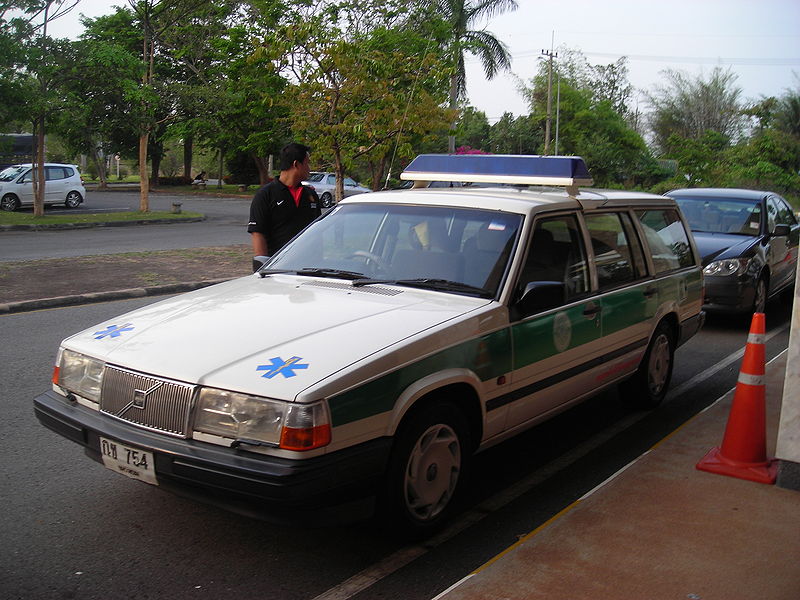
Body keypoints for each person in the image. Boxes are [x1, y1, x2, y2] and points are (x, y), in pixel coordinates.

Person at [247, 142, 321, 270]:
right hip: (278, 269)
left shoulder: (311, 195)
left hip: (308, 267)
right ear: (296, 164)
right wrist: (264, 268)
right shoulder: (265, 195)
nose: (309, 168)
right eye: (307, 163)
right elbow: (258, 233)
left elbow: (318, 231)